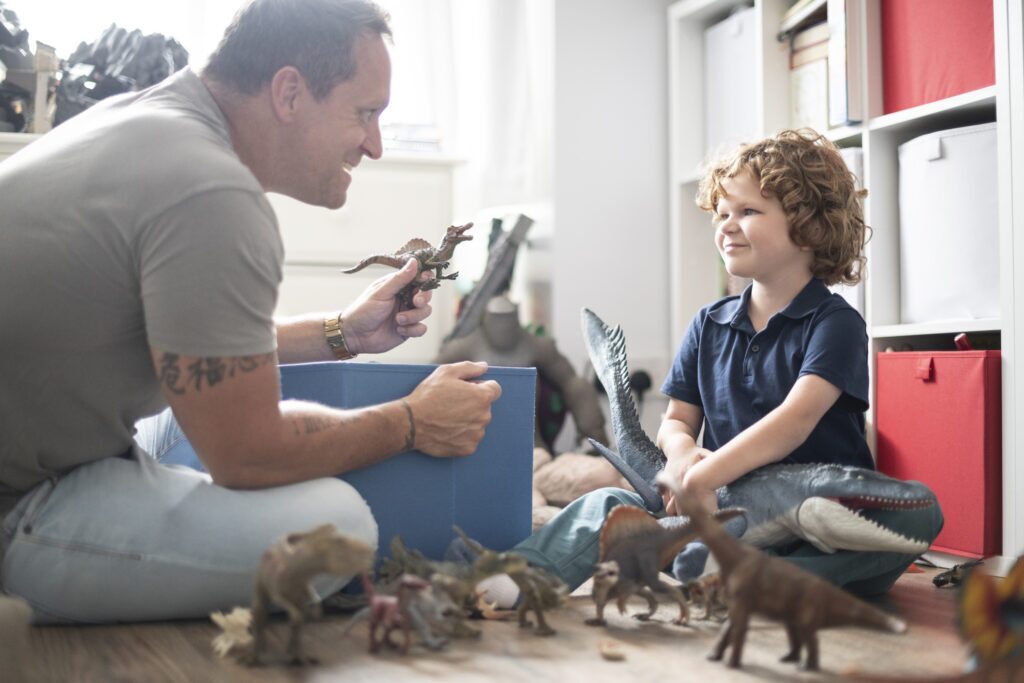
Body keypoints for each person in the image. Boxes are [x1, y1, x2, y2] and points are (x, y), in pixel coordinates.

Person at [0, 0, 500, 624]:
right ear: (289, 92)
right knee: (338, 529)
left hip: (54, 446)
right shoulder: (211, 192)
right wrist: (412, 422)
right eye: (365, 113)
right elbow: (247, 455)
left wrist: (341, 333)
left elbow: (188, 342)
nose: (374, 145)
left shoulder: (147, 120)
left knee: (210, 416)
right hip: (19, 503)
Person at [485, 129, 942, 604]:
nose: (727, 226)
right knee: (608, 503)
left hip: (826, 519)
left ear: (810, 227)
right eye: (722, 214)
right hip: (723, 511)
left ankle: (754, 578)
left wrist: (707, 475)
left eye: (748, 212)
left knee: (920, 515)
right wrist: (683, 460)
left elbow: (796, 420)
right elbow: (677, 421)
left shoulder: (835, 323)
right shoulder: (708, 323)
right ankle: (518, 578)